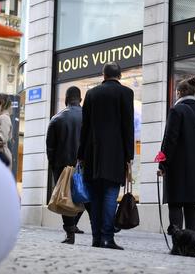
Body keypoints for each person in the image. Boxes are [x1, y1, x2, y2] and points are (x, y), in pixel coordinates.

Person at [77, 62, 135, 250]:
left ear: (103, 75)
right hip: (115, 154)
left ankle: (96, 238)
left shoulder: (91, 94)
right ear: (120, 76)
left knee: (95, 197)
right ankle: (107, 238)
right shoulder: (126, 94)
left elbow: (84, 128)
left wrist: (80, 155)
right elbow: (128, 127)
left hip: (92, 153)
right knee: (110, 195)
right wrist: (129, 155)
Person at [158, 77, 195, 233]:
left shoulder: (176, 110)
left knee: (176, 202)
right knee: (191, 204)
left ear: (180, 93)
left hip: (177, 165)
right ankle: (191, 241)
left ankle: (178, 244)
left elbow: (170, 139)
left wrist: (162, 164)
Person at [46, 86, 86, 244]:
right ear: (80, 100)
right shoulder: (89, 117)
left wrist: (54, 166)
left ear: (65, 99)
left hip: (62, 165)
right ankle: (101, 235)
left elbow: (50, 147)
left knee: (65, 198)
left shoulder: (57, 118)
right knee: (86, 197)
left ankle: (70, 234)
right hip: (84, 165)